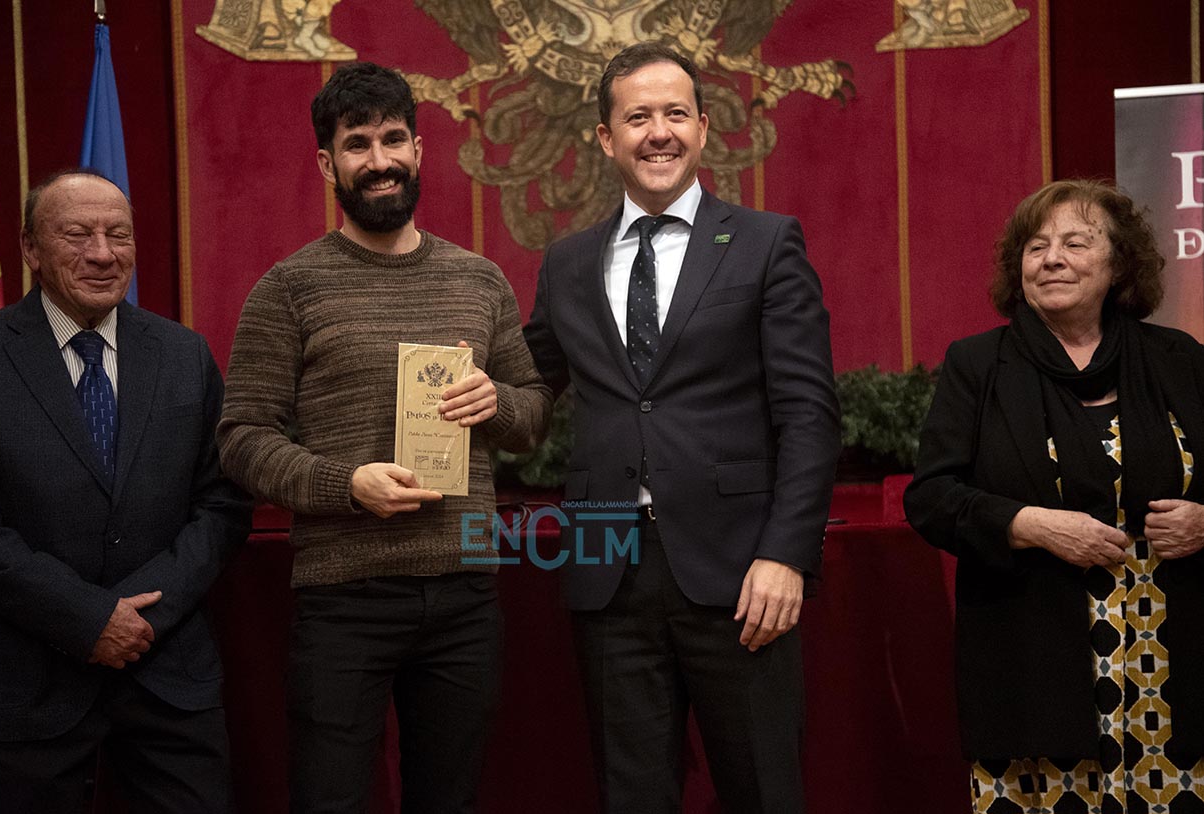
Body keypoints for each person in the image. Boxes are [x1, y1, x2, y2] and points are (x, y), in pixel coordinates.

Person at [216, 62, 550, 813]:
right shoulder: (288, 287)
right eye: (357, 144)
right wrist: (347, 485)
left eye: (393, 139)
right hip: (344, 599)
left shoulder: (480, 280)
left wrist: (496, 402)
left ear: (418, 150)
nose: (379, 161)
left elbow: (532, 417)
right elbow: (240, 437)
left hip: (465, 595)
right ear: (326, 163)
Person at [523, 42, 840, 813]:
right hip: (608, 570)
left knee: (763, 792)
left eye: (674, 114)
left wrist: (785, 554)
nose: (657, 132)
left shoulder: (766, 242)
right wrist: (446, 386)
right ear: (605, 138)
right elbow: (525, 386)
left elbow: (807, 412)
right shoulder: (566, 263)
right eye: (637, 118)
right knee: (631, 796)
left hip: (740, 573)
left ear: (702, 128)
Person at [904, 179, 1204, 811]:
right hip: (1031, 668)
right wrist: (1031, 525)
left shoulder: (1179, 359)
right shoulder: (978, 365)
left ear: (1119, 264)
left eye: (1075, 243)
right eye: (1036, 247)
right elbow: (930, 497)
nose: (1052, 259)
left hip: (1178, 675)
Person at [0, 169, 252, 812]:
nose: (103, 254)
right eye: (78, 234)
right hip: (27, 679)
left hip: (167, 672)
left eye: (119, 235)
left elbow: (223, 503)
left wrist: (142, 617)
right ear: (29, 249)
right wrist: (85, 618)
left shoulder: (184, 355)